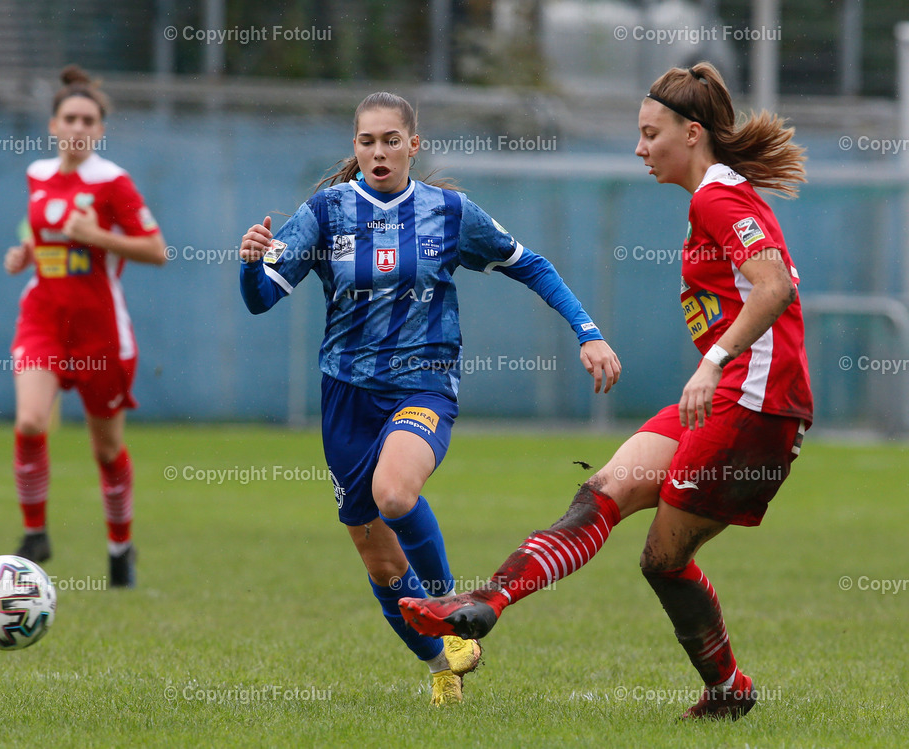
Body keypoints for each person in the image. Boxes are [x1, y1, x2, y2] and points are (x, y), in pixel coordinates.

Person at [400, 62, 813, 721]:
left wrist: (713, 363)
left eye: (651, 134)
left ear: (693, 132)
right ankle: (486, 600)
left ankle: (729, 689)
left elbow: (774, 288)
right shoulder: (715, 194)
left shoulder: (716, 197)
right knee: (604, 490)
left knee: (663, 559)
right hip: (733, 392)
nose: (641, 148)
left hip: (756, 402)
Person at [238, 92, 621, 705]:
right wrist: (249, 262)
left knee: (394, 492)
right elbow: (260, 298)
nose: (378, 151)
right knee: (382, 566)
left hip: (423, 384)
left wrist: (589, 333)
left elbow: (531, 264)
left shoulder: (449, 213)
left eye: (392, 139)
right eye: (367, 141)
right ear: (354, 147)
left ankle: (450, 604)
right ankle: (443, 660)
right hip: (345, 398)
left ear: (414, 145)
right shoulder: (326, 213)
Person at [4, 65, 167, 587]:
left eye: (88, 119)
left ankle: (121, 549)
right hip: (43, 317)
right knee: (30, 421)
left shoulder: (112, 182)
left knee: (106, 449)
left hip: (100, 330)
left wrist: (98, 235)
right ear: (53, 125)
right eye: (68, 117)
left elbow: (156, 250)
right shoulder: (36, 173)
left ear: (99, 129)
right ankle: (36, 534)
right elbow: (43, 234)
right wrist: (25, 253)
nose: (77, 126)